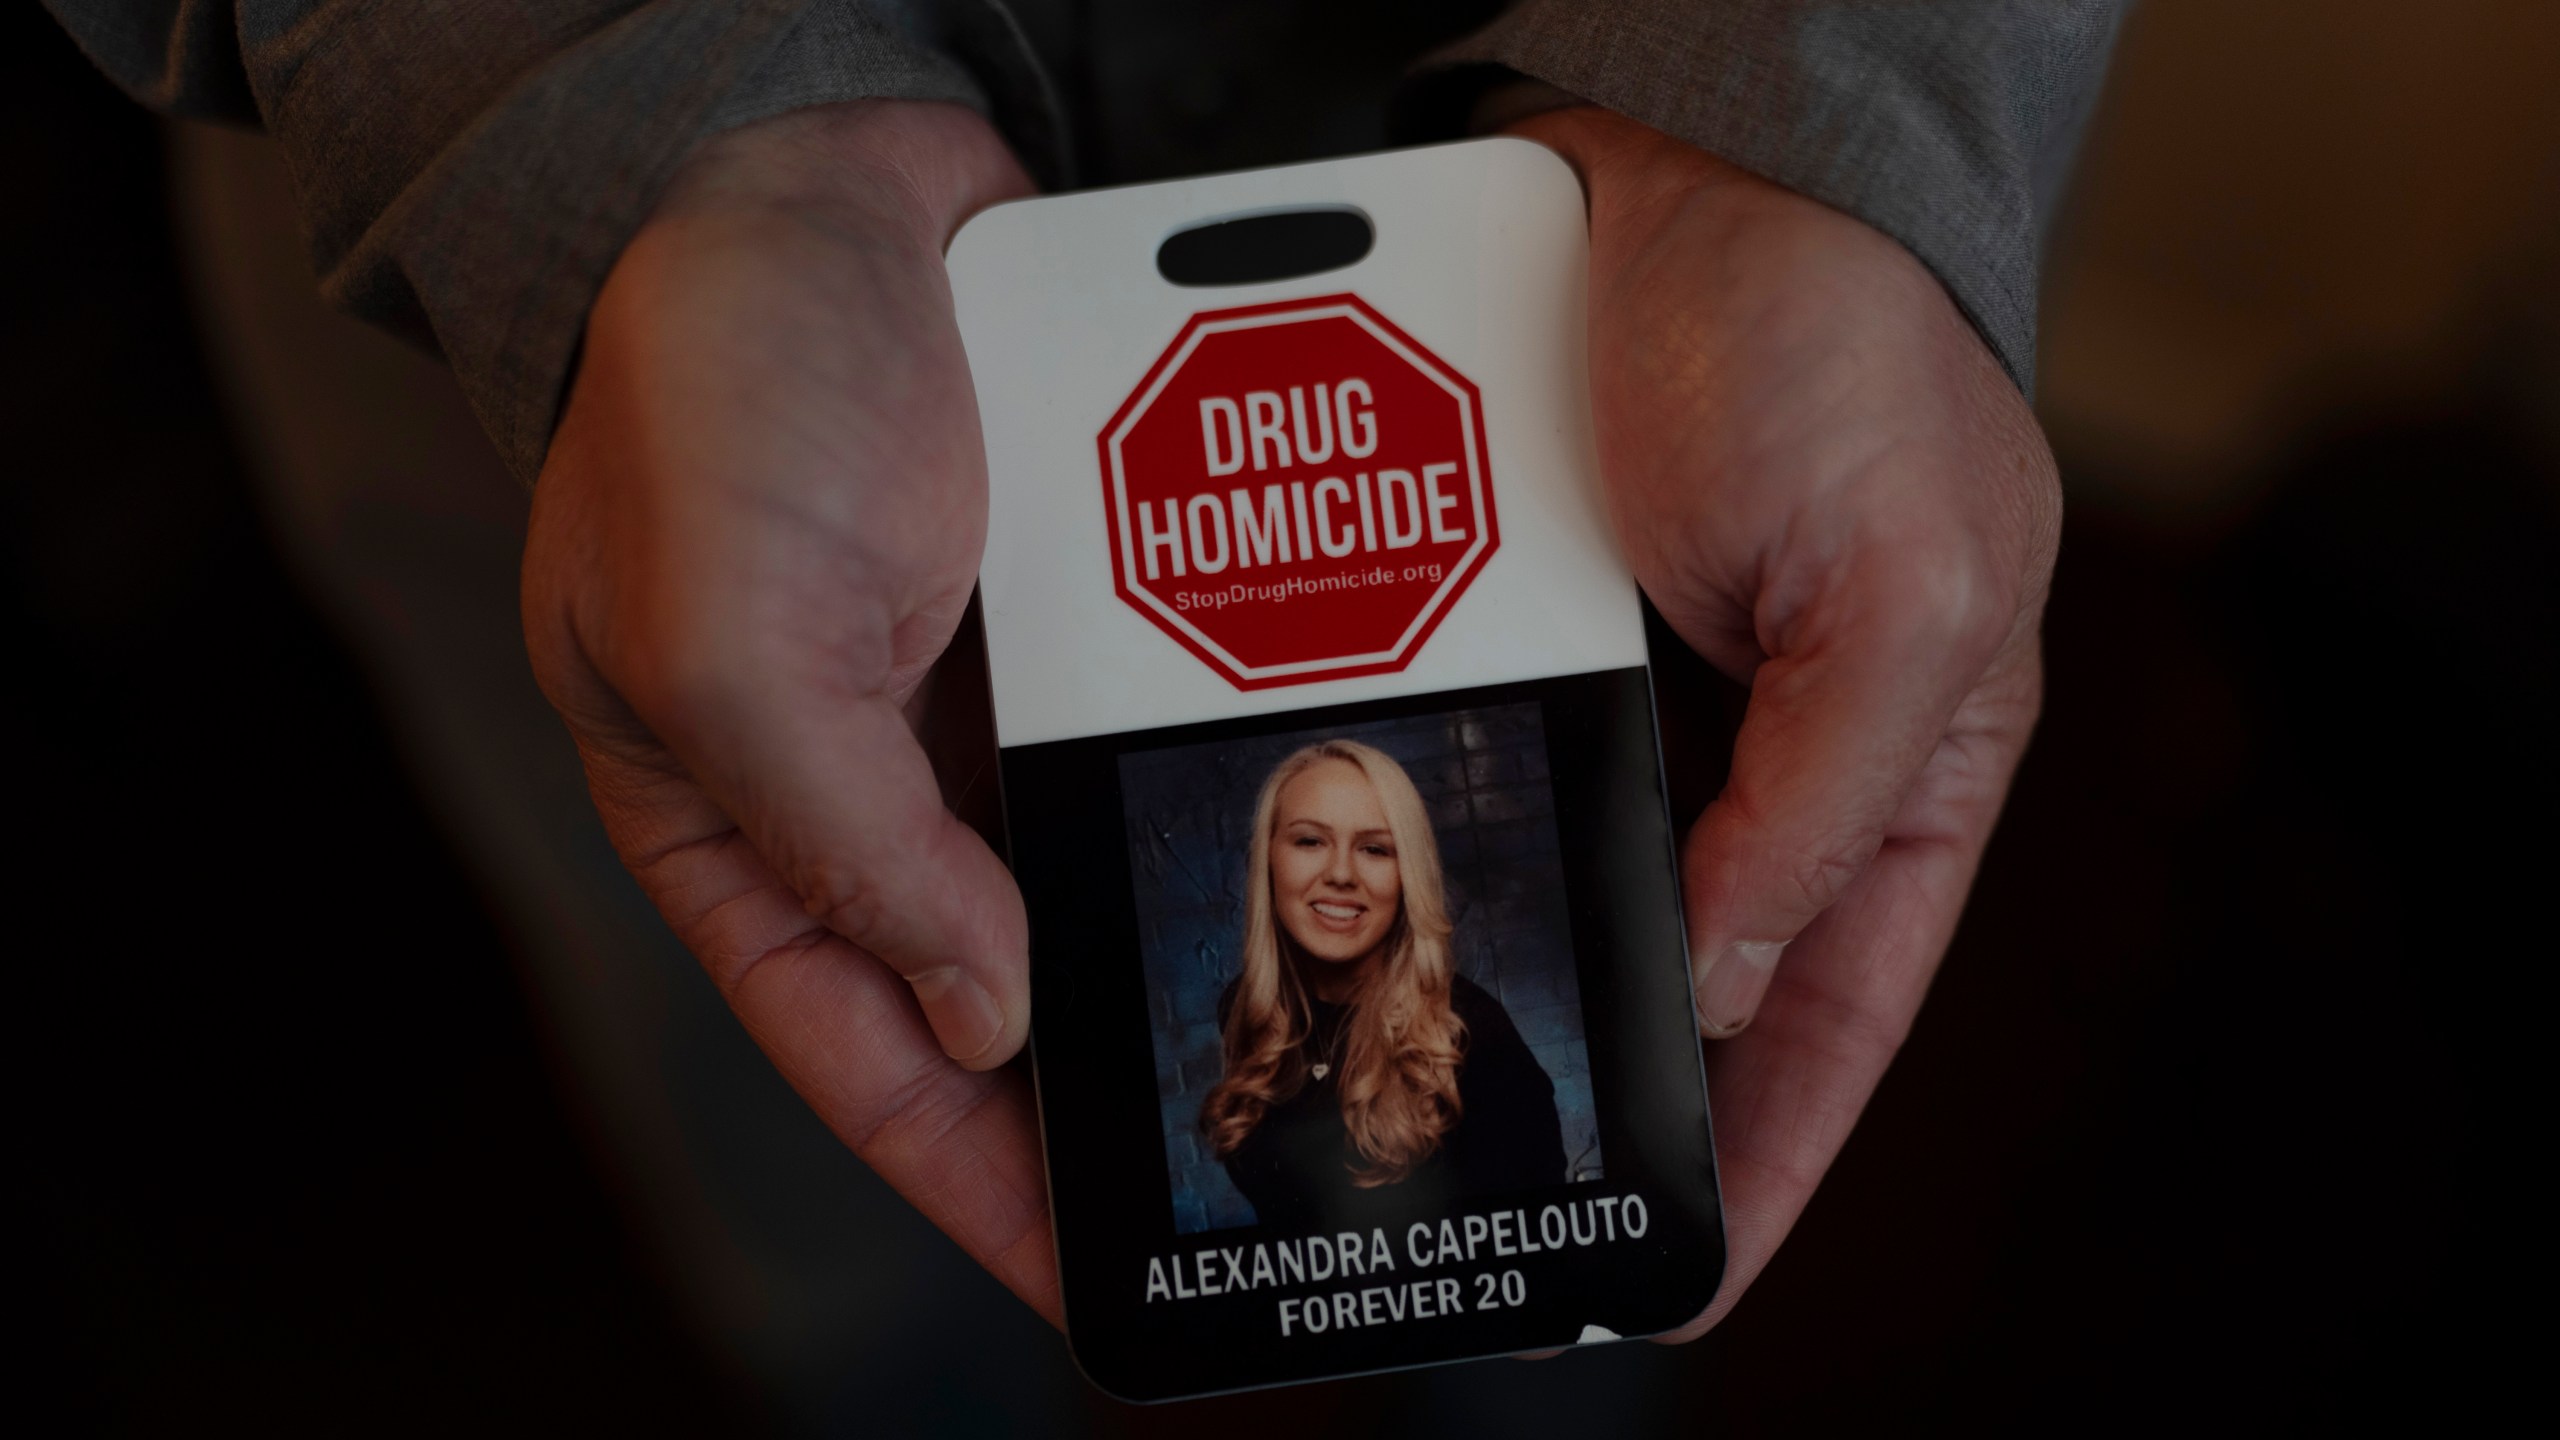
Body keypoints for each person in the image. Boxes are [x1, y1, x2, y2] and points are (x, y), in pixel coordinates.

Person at [44, 0, 2127, 1384]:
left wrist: (1823, 74)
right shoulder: (1208, 1066)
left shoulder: (1519, 1044)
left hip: (1632, 346)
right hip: (602, 407)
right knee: (837, 1195)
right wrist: (611, 90)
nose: (1324, 868)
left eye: (1351, 838)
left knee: (1575, 1330)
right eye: (1300, 838)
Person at [1204, 741, 1564, 1229]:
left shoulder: (1471, 1032)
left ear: (1406, 874)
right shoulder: (1248, 1007)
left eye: (1375, 849)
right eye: (1310, 841)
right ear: (1269, 858)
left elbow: (1537, 1241)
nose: (1340, 874)